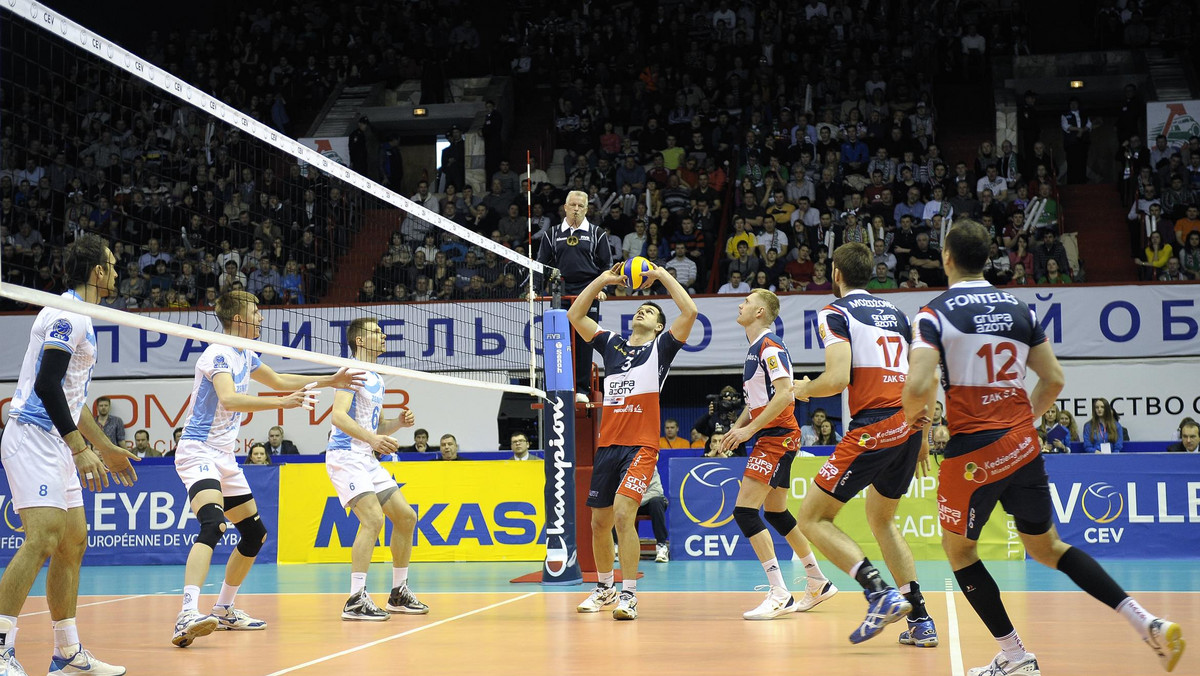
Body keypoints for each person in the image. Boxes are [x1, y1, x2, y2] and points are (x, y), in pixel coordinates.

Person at [903, 220, 1184, 675]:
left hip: (973, 453)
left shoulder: (934, 313)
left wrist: (912, 422)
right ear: (987, 256)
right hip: (1023, 445)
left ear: (947, 257)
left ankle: (1016, 656)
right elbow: (1053, 379)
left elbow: (918, 383)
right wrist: (1021, 422)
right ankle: (1147, 621)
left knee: (960, 553)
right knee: (1048, 546)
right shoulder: (1021, 310)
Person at [172, 290, 363, 648]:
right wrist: (282, 403)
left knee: (254, 534)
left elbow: (278, 380)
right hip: (198, 450)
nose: (261, 317)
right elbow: (230, 398)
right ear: (239, 318)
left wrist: (328, 381)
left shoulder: (246, 352)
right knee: (213, 523)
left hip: (225, 456)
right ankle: (186, 613)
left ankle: (225, 608)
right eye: (256, 311)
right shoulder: (219, 353)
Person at [0, 234, 137, 676]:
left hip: (57, 440)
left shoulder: (83, 317)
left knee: (73, 542)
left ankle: (67, 654)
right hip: (32, 436)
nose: (116, 272)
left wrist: (106, 448)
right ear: (97, 272)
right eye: (112, 265)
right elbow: (46, 385)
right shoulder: (68, 314)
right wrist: (81, 449)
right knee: (41, 538)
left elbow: (71, 398)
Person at [793, 242, 938, 646]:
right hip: (908, 426)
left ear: (835, 273)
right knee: (882, 519)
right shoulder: (897, 313)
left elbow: (837, 378)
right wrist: (923, 435)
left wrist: (805, 389)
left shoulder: (834, 312)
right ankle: (921, 620)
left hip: (874, 425)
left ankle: (878, 592)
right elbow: (924, 377)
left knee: (812, 518)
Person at [569, 262, 697, 621]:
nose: (643, 310)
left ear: (658, 326)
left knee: (624, 514)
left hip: (641, 446)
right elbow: (575, 314)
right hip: (608, 445)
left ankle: (629, 594)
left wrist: (659, 277)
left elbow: (690, 311)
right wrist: (604, 280)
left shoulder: (662, 348)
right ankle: (605, 589)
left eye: (651, 311)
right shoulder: (611, 344)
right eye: (641, 307)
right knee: (598, 523)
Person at [719, 289, 833, 620]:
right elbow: (758, 399)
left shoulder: (770, 345)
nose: (740, 304)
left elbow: (784, 395)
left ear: (760, 313)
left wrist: (749, 431)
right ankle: (817, 581)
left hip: (776, 437)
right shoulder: (756, 348)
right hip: (773, 435)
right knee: (778, 513)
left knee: (744, 512)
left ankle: (780, 592)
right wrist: (738, 425)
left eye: (747, 301)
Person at [327, 317, 428, 621]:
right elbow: (338, 417)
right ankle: (355, 598)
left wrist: (397, 424)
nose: (383, 337)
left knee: (406, 517)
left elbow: (375, 424)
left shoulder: (377, 377)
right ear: (360, 340)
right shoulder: (353, 372)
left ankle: (398, 593)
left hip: (365, 458)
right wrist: (372, 439)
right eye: (375, 333)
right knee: (372, 519)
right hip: (345, 456)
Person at [533, 190, 614, 402]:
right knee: (560, 339)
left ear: (586, 209)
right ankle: (562, 385)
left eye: (581, 206)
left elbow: (607, 265)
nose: (576, 209)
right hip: (561, 291)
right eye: (573, 205)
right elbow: (542, 265)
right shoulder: (552, 234)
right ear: (565, 207)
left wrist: (603, 289)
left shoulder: (597, 234)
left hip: (589, 290)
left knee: (585, 340)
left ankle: (582, 389)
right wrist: (534, 288)